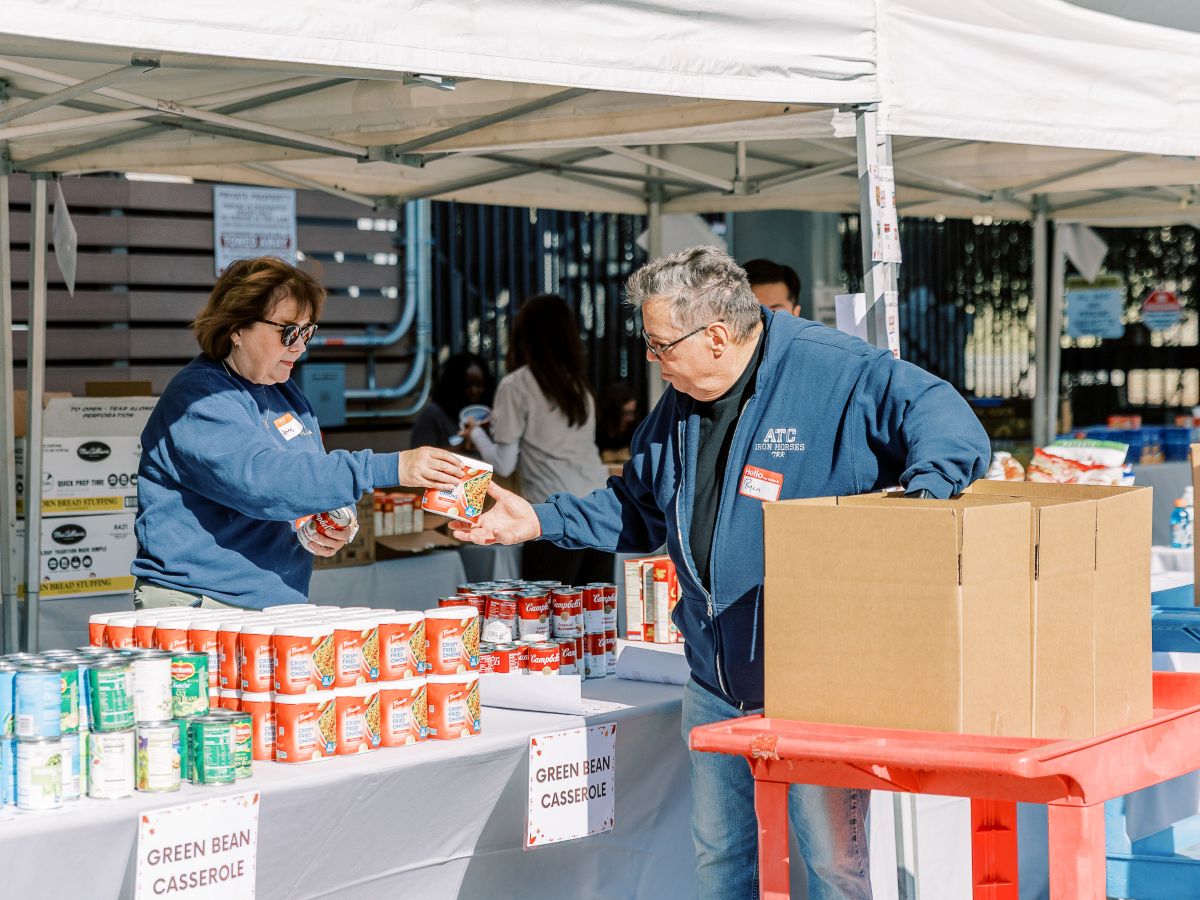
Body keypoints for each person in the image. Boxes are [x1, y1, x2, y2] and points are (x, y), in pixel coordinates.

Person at [453, 246, 990, 900]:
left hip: (815, 683)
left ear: (714, 336)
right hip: (713, 680)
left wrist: (920, 505)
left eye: (658, 344)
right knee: (721, 862)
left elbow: (948, 422)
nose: (651, 360)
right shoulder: (679, 406)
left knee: (831, 869)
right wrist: (533, 521)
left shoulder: (835, 371)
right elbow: (636, 508)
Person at [132, 256, 463, 611]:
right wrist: (389, 467)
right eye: (288, 331)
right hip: (201, 604)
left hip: (272, 603)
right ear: (237, 328)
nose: (300, 346)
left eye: (308, 331)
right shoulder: (200, 396)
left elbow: (310, 476)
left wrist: (335, 518)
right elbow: (260, 480)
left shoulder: (284, 391)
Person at [465, 293, 612, 585]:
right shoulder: (578, 386)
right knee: (596, 616)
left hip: (551, 515)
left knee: (545, 618)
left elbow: (504, 464)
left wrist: (475, 433)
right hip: (597, 508)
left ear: (524, 335)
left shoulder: (516, 385)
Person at [411, 351, 495, 451]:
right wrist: (463, 447)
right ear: (454, 384)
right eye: (467, 385)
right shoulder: (434, 415)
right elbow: (420, 455)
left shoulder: (489, 414)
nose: (474, 390)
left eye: (479, 385)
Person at [595, 382, 639, 464]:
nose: (631, 418)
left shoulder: (635, 432)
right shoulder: (594, 433)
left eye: (633, 413)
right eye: (626, 413)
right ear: (612, 413)